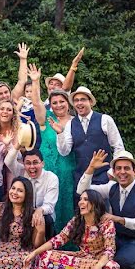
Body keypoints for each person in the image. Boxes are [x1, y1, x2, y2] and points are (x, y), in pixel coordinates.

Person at [27, 189, 134, 269]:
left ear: (95, 203)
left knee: (112, 268)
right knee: (46, 255)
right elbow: (59, 239)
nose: (80, 202)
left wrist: (98, 267)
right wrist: (35, 252)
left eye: (86, 199)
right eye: (80, 199)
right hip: (81, 259)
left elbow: (110, 250)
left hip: (99, 261)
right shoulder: (76, 220)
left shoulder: (106, 223)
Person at [75, 151, 135, 269]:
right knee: (96, 255)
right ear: (114, 171)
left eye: (126, 168)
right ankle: (124, 257)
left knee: (121, 262)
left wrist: (117, 219)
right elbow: (82, 190)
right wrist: (91, 168)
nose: (122, 172)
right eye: (118, 168)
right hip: (118, 238)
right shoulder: (112, 187)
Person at [57, 86, 124, 186]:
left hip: (103, 176)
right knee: (81, 202)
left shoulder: (105, 119)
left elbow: (118, 147)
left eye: (83, 99)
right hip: (81, 177)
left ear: (91, 102)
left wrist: (111, 172)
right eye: (76, 100)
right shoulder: (70, 124)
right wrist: (60, 134)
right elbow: (64, 152)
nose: (79, 103)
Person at [4, 144, 59, 236]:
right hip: (22, 214)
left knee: (47, 219)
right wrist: (18, 145)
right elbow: (8, 161)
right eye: (28, 163)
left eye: (35, 162)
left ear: (42, 163)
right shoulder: (21, 171)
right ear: (24, 164)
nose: (32, 167)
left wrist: (39, 210)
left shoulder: (51, 178)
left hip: (43, 215)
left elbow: (49, 205)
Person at [42, 89, 77, 228]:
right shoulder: (48, 119)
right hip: (50, 167)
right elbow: (37, 105)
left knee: (67, 201)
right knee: (50, 201)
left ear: (68, 103)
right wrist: (35, 81)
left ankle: (69, 238)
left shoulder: (76, 121)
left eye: (62, 101)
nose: (58, 105)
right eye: (54, 103)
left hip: (69, 168)